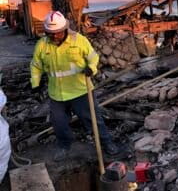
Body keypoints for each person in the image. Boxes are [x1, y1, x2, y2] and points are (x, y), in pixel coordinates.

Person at [30, 11, 120, 161]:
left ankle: (106, 142)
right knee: (59, 123)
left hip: (80, 91)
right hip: (57, 94)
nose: (54, 36)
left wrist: (91, 68)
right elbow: (35, 65)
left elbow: (93, 57)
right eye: (50, 33)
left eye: (57, 33)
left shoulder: (79, 40)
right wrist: (35, 83)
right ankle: (64, 145)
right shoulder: (42, 45)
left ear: (64, 29)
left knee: (92, 119)